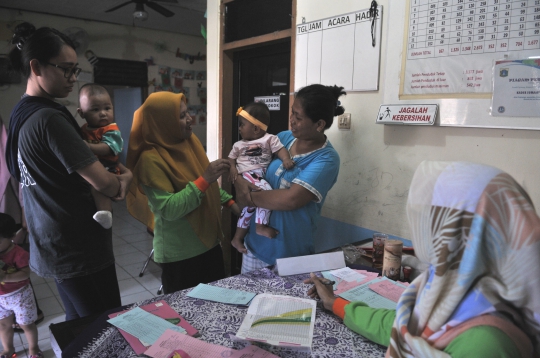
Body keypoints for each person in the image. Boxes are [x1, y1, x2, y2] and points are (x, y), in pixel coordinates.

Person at [305, 161, 540, 357]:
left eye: (433, 220)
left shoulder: (487, 344)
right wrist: (333, 302)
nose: (424, 232)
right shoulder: (455, 296)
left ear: (457, 233)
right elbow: (399, 324)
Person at [6, 22, 133, 321]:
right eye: (66, 69)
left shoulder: (21, 113)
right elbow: (109, 186)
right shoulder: (50, 119)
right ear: (36, 66)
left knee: (79, 325)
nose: (74, 78)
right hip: (78, 247)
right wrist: (125, 179)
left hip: (51, 241)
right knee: (103, 329)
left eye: (77, 70)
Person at [126, 91, 240, 294]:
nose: (190, 119)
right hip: (181, 255)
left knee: (216, 308)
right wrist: (205, 179)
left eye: (187, 113)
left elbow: (208, 187)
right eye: (181, 116)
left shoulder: (189, 143)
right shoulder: (150, 160)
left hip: (209, 243)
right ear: (163, 122)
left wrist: (230, 203)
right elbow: (169, 208)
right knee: (186, 318)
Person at [234, 84, 345, 273]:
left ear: (319, 124)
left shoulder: (326, 159)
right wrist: (239, 180)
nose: (291, 120)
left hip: (289, 255)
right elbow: (249, 164)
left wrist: (246, 195)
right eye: (292, 113)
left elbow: (292, 199)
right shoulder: (283, 138)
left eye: (298, 117)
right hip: (254, 246)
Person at [228, 102, 295, 252]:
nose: (239, 128)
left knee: (248, 210)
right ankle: (260, 225)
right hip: (247, 174)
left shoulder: (270, 139)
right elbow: (231, 159)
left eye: (242, 124)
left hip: (257, 175)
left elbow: (281, 150)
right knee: (265, 193)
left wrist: (286, 159)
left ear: (256, 128)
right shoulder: (238, 145)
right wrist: (232, 168)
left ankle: (237, 238)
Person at [78, 83, 123, 229]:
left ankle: (106, 213)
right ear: (82, 113)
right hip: (93, 167)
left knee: (98, 188)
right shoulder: (84, 129)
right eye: (95, 109)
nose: (103, 113)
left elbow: (109, 148)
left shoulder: (111, 130)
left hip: (108, 168)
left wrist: (89, 147)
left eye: (107, 108)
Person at [0, 213, 42, 358]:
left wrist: (5, 276)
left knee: (26, 325)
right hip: (0, 299)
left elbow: (25, 274)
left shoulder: (19, 253)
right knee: (3, 325)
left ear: (11, 236)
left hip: (20, 296)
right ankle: (8, 349)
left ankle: (34, 348)